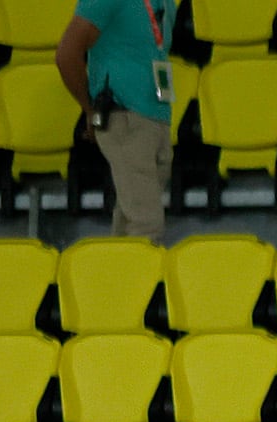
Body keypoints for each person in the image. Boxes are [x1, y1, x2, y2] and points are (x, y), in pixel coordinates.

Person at [55, 0, 170, 241]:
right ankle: (138, 278)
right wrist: (90, 109)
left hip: (155, 116)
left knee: (129, 217)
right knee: (145, 223)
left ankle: (115, 275)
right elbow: (67, 54)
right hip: (124, 115)